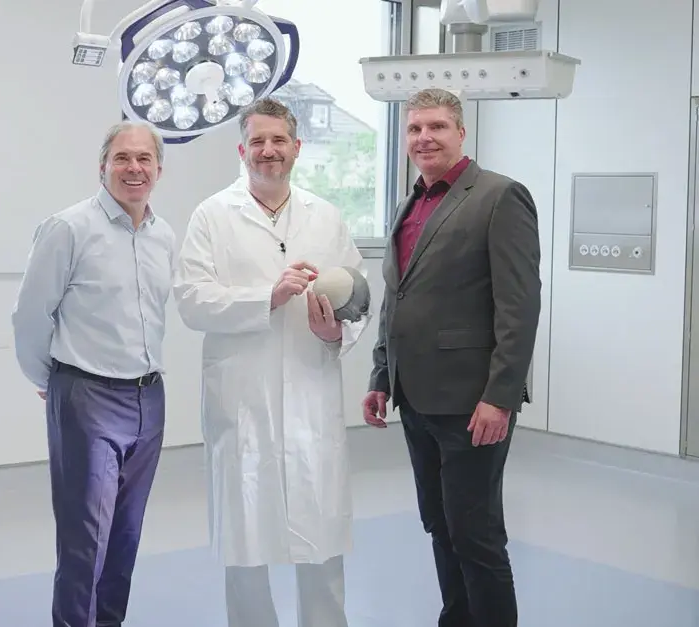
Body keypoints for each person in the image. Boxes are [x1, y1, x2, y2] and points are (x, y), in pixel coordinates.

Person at [173, 97, 368, 627]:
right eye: (257, 141)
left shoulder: (325, 217)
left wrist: (339, 332)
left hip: (311, 391)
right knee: (245, 547)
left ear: (297, 147)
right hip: (244, 400)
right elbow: (191, 298)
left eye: (278, 140)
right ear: (242, 149)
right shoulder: (212, 216)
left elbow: (358, 298)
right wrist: (269, 296)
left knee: (322, 539)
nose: (268, 150)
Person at [361, 88, 541, 627]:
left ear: (461, 131)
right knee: (440, 525)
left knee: (477, 534)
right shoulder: (410, 203)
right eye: (414, 129)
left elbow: (520, 306)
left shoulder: (499, 196)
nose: (424, 138)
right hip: (415, 398)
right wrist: (380, 375)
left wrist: (499, 397)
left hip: (472, 402)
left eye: (436, 127)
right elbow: (397, 298)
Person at [11, 121, 176, 627]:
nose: (133, 168)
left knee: (126, 535)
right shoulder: (69, 228)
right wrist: (55, 382)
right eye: (122, 158)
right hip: (86, 395)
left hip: (149, 398)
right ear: (102, 166)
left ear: (158, 170)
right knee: (86, 541)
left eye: (144, 159)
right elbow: (31, 316)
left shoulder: (163, 235)